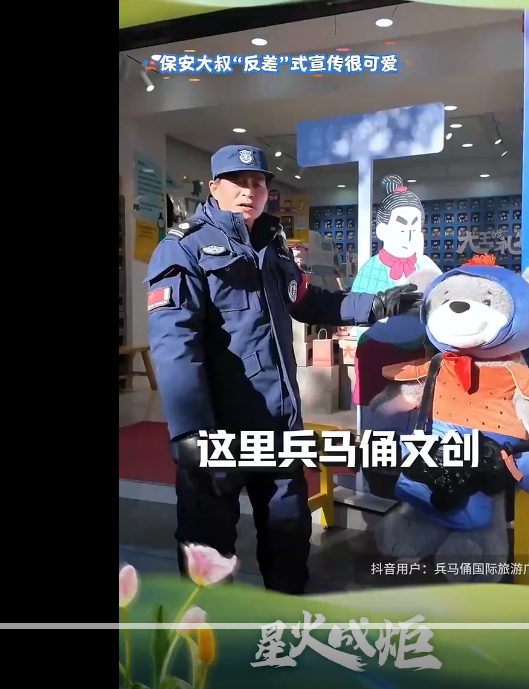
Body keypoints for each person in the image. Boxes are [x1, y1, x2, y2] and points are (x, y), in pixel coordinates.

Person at [144, 144, 420, 593]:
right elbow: (175, 346)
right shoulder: (183, 249)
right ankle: (208, 628)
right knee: (208, 547)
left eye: (258, 182)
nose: (249, 191)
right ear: (214, 187)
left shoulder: (272, 246)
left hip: (278, 423)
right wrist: (191, 433)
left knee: (289, 533)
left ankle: (285, 615)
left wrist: (375, 305)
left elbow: (307, 301)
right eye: (238, 181)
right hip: (218, 428)